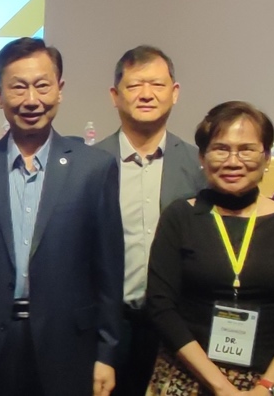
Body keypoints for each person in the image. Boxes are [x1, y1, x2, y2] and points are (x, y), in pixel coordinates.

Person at [0, 37, 124, 396]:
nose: (32, 100)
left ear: (60, 89)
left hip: (68, 346)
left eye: (42, 86)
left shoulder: (94, 168)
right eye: (18, 87)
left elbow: (109, 273)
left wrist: (106, 354)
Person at [146, 101, 274, 396]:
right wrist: (220, 386)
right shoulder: (180, 217)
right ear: (202, 157)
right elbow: (161, 307)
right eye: (220, 149)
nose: (233, 161)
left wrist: (266, 386)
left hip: (267, 383)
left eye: (246, 150)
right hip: (188, 378)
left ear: (267, 157)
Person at [95, 45, 205, 395]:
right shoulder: (89, 164)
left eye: (157, 85)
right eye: (134, 85)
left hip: (179, 329)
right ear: (115, 96)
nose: (146, 94)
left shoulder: (200, 167)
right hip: (107, 327)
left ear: (175, 92)